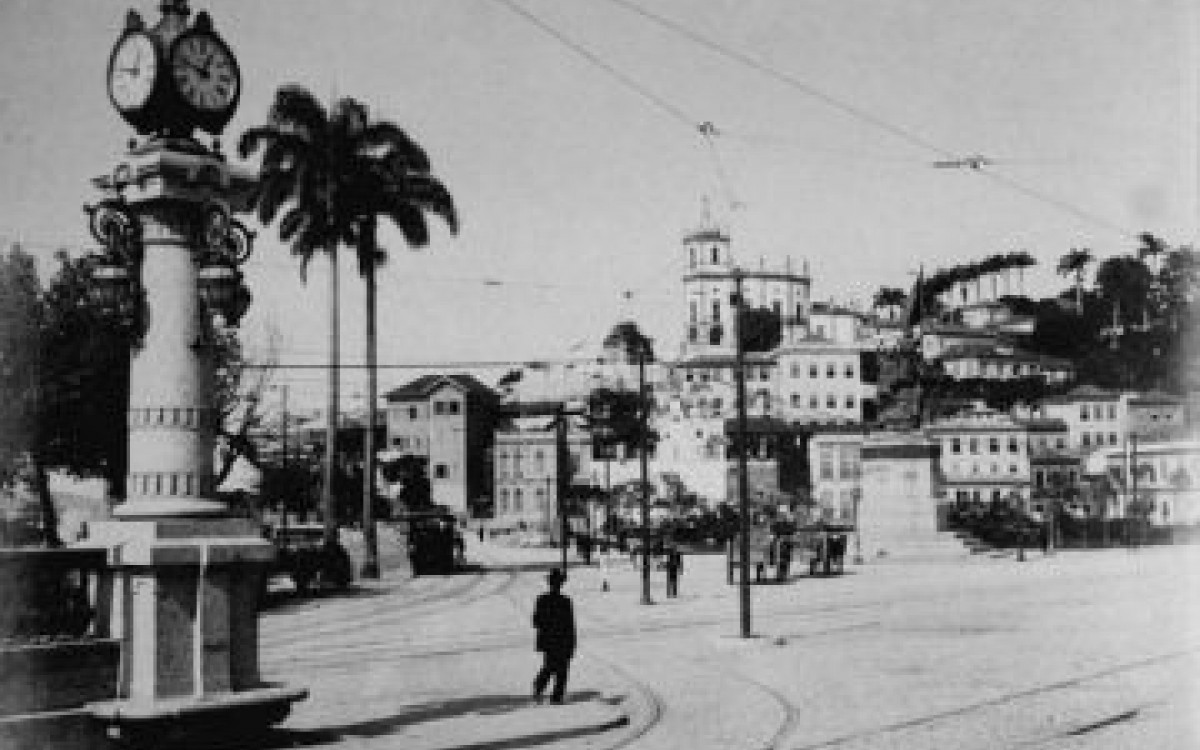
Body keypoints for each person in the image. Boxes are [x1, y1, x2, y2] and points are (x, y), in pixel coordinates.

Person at [532, 568, 576, 704]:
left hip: (553, 640)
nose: (557, 586)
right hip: (556, 640)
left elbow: (536, 621)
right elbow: (569, 625)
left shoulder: (544, 599)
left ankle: (553, 694)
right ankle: (548, 691)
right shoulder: (564, 601)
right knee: (556, 667)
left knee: (554, 667)